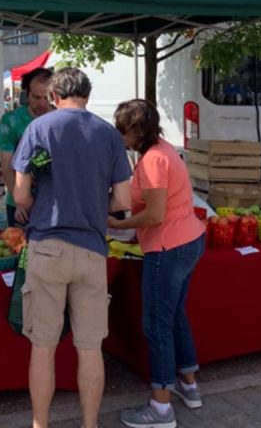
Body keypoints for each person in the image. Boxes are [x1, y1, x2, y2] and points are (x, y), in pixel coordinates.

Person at [12, 67, 132, 428]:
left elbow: (19, 194)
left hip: (47, 248)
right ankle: (90, 424)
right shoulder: (108, 134)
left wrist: (37, 199)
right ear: (88, 96)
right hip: (92, 249)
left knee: (43, 346)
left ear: (53, 96)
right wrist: (94, 202)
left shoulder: (39, 129)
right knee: (90, 347)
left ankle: (40, 424)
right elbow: (122, 200)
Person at [107, 99, 206, 428]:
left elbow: (155, 214)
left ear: (136, 130)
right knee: (174, 315)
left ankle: (161, 407)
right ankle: (189, 386)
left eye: (123, 130)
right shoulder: (162, 151)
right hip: (187, 240)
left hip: (168, 248)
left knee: (157, 324)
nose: (120, 136)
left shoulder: (152, 160)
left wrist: (114, 225)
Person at [0, 68, 53, 227]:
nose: (42, 103)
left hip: (54, 204)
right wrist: (19, 201)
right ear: (26, 93)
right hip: (20, 204)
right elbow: (6, 167)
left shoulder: (61, 119)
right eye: (36, 97)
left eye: (47, 97)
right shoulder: (11, 121)